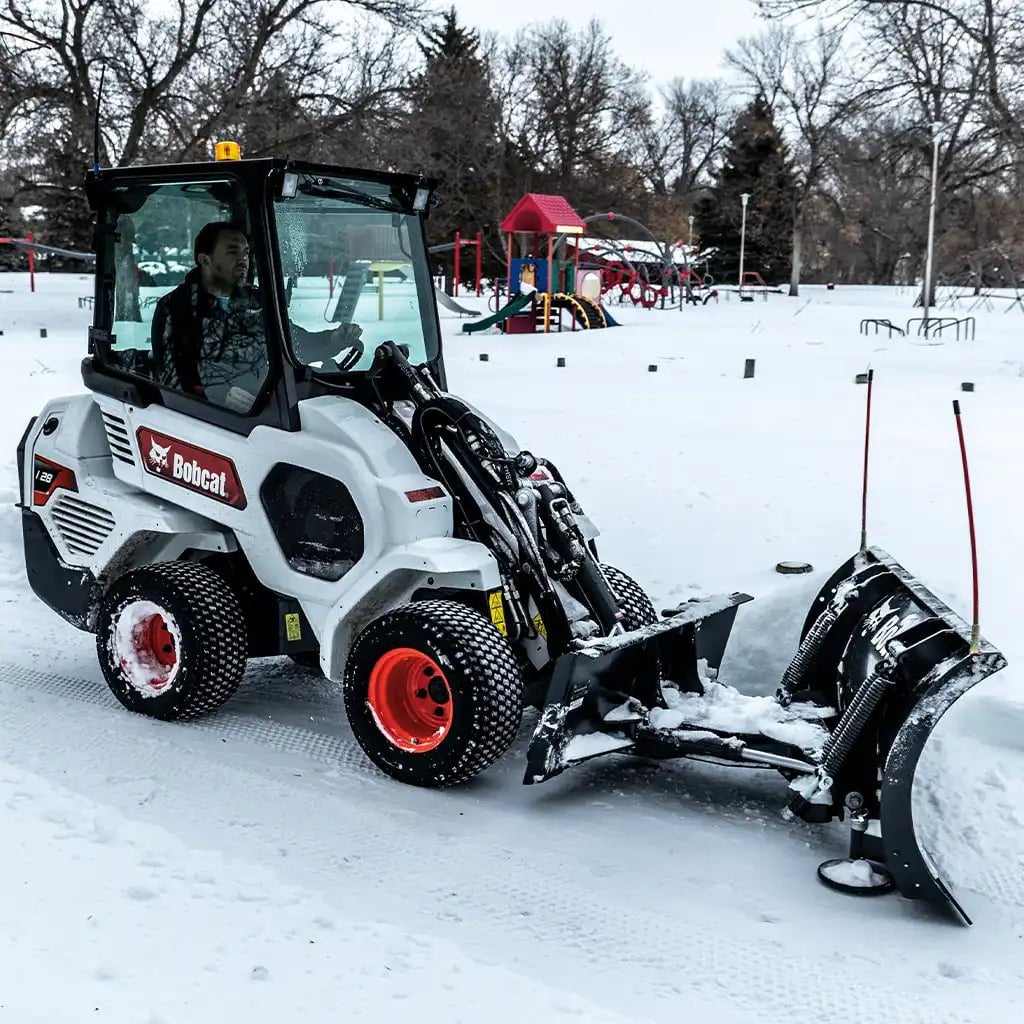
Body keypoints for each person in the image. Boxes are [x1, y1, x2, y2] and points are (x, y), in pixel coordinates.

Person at [151, 222, 363, 413]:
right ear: (204, 259)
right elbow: (172, 374)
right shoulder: (176, 307)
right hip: (206, 416)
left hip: (266, 403)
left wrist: (331, 339)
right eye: (233, 252)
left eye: (245, 252)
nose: (243, 260)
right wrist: (217, 394)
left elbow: (291, 343)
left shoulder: (256, 300)